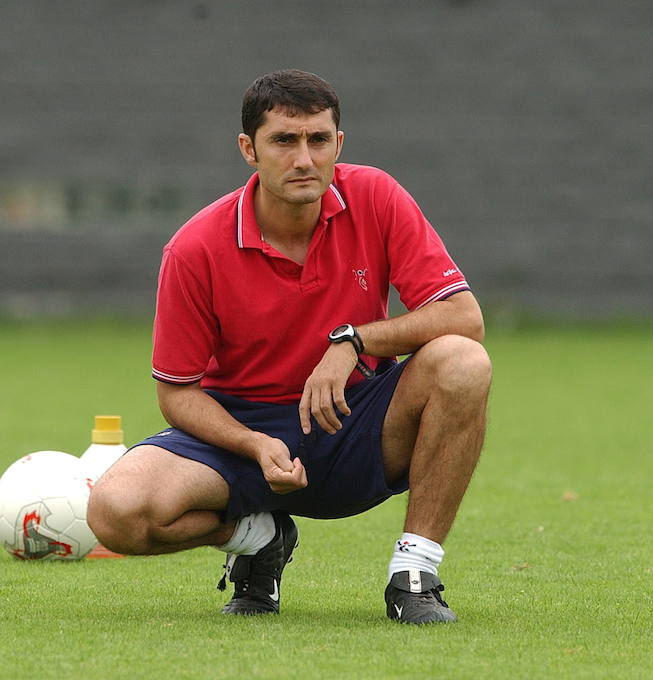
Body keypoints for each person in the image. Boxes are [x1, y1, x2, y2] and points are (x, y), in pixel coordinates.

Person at [87, 69, 492, 623]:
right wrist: (253, 445)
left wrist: (353, 340)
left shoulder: (375, 195)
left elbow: (463, 316)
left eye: (318, 140)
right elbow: (177, 394)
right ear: (249, 149)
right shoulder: (193, 248)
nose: (304, 159)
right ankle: (259, 539)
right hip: (239, 440)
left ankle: (414, 574)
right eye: (284, 140)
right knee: (116, 512)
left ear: (338, 145)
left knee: (463, 361)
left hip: (352, 425)